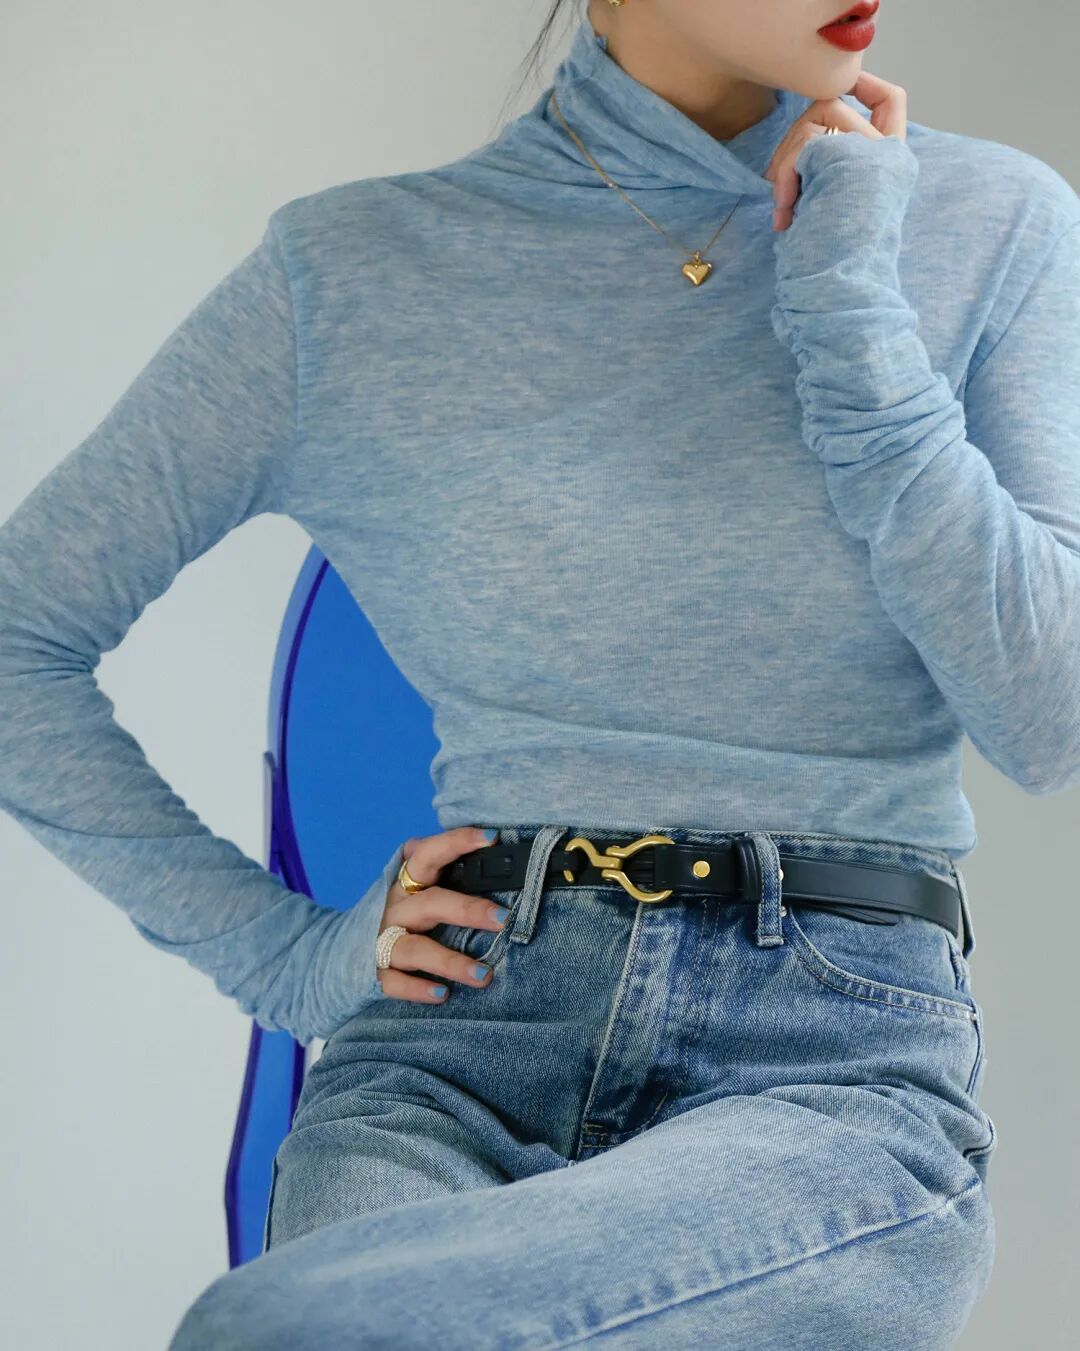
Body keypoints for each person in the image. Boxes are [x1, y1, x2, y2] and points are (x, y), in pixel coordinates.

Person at [2, 0, 1078, 1345]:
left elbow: (1050, 717)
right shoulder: (348, 274)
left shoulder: (985, 222)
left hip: (829, 1071)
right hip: (452, 1062)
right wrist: (283, 961)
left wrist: (853, 314)